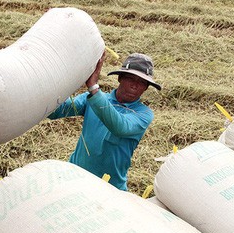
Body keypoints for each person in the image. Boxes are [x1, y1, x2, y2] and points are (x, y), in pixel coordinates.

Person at [48, 52, 161, 191]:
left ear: (146, 87)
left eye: (142, 82)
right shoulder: (91, 99)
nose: (135, 85)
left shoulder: (143, 114)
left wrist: (94, 88)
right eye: (131, 79)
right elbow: (56, 112)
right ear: (120, 78)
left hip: (109, 187)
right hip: (76, 177)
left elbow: (120, 126)